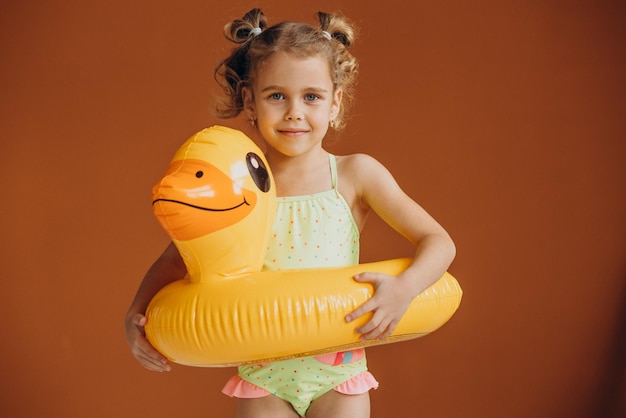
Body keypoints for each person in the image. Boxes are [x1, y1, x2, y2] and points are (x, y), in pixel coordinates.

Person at [124, 8, 456, 418]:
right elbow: (177, 258)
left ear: (334, 103)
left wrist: (404, 289)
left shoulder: (355, 174)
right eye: (277, 95)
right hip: (263, 377)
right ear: (250, 100)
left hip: (338, 376)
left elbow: (439, 242)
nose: (294, 111)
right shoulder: (239, 183)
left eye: (311, 97)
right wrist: (135, 316)